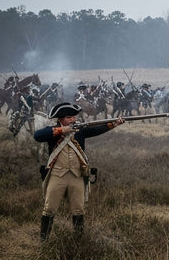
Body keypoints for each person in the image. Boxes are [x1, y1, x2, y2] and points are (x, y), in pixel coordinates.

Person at [34, 102, 125, 240]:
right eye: (69, 117)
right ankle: (44, 241)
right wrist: (62, 130)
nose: (73, 119)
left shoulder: (80, 130)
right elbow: (38, 136)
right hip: (57, 175)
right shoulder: (53, 130)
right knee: (49, 209)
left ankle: (79, 241)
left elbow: (97, 129)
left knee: (78, 209)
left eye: (74, 117)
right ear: (61, 119)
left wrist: (114, 124)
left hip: (77, 175)